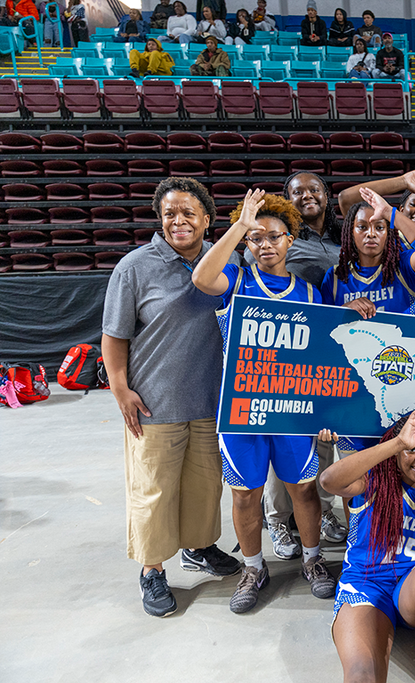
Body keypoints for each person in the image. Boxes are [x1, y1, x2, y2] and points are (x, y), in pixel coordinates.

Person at [102, 177, 242, 618]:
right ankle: (152, 569)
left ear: (207, 218)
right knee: (154, 491)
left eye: (187, 213)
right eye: (169, 214)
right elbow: (113, 336)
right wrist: (121, 388)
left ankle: (199, 548)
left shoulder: (228, 259)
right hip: (154, 403)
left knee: (204, 487)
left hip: (210, 400)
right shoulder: (134, 267)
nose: (178, 221)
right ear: (160, 220)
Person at [190, 190, 335, 613]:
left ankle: (313, 560)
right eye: (255, 238)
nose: (265, 244)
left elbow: (324, 359)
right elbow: (200, 277)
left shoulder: (310, 293)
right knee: (244, 496)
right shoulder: (236, 281)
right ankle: (253, 568)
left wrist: (325, 411)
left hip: (293, 411)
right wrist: (239, 226)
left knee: (304, 491)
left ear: (291, 240)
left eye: (273, 236)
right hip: (242, 411)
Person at [319, 407, 415, 683]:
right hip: (365, 585)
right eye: (412, 449)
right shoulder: (371, 482)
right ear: (396, 451)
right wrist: (396, 442)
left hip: (412, 592)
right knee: (362, 674)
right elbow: (328, 481)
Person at [257, 171, 349, 559]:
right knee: (286, 440)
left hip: (324, 346)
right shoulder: (275, 238)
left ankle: (322, 510)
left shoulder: (342, 235)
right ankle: (279, 520)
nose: (307, 196)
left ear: (326, 196)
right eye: (298, 191)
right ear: (287, 199)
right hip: (281, 352)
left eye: (314, 190)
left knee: (320, 441)